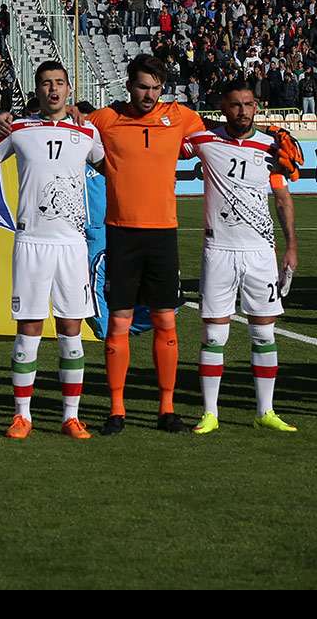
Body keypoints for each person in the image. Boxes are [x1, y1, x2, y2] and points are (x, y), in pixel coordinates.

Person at [0, 62, 105, 440]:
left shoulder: (87, 130)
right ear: (36, 90)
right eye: (46, 84)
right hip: (32, 241)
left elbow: (114, 167)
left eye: (59, 83)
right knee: (29, 328)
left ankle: (71, 416)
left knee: (70, 328)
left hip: (71, 243)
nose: (53, 90)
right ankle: (22, 415)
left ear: (69, 89)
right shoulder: (17, 128)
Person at [83, 55, 205, 435]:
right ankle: (116, 411)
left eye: (155, 88)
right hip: (121, 235)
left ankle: (166, 410)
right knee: (117, 322)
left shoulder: (182, 116)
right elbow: (63, 125)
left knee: (165, 321)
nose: (149, 95)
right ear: (128, 85)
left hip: (163, 235)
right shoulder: (105, 119)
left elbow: (213, 141)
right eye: (142, 87)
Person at [181, 80, 298, 434]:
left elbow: (281, 198)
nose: (243, 111)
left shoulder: (272, 148)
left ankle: (266, 410)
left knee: (264, 334)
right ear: (223, 107)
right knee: (214, 335)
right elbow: (160, 146)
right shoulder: (203, 141)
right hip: (218, 251)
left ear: (256, 107)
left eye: (248, 104)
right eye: (235, 105)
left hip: (261, 253)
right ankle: (210, 412)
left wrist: (291, 246)